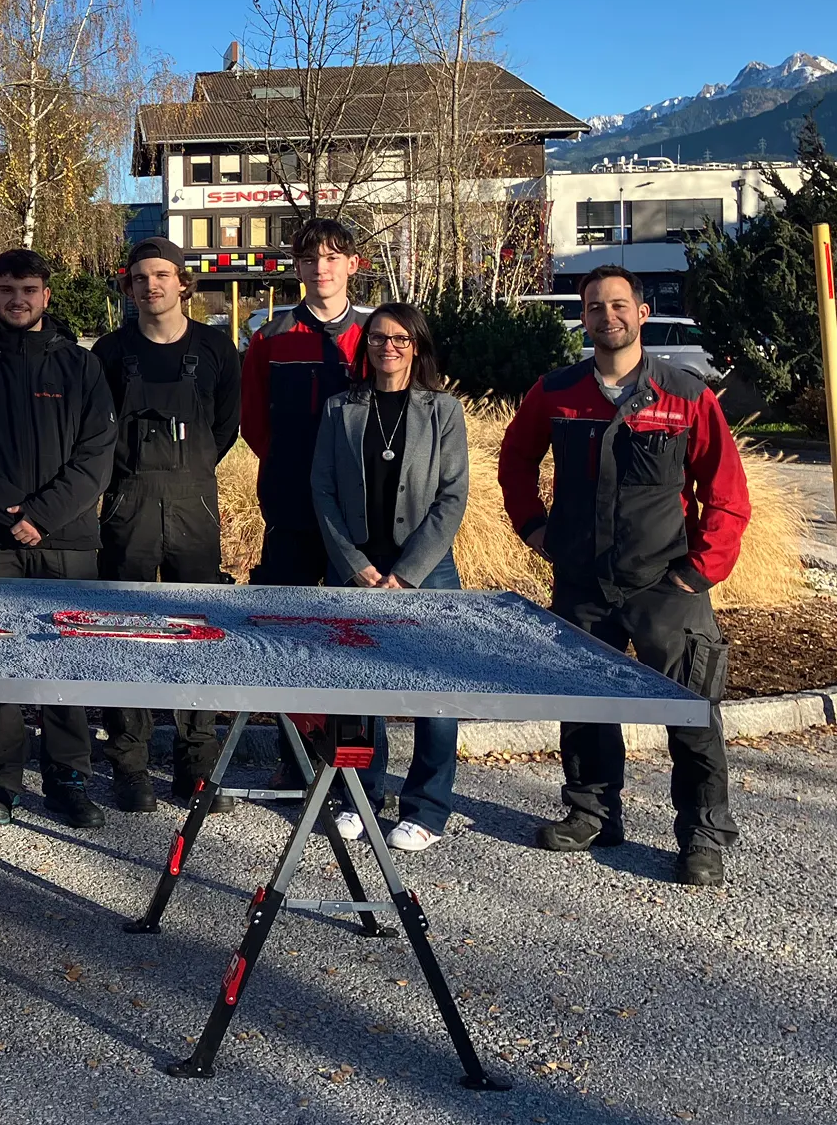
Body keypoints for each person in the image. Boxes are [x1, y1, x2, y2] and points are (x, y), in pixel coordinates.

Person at [500, 265, 749, 888]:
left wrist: (700, 571)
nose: (606, 316)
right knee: (585, 706)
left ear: (640, 313)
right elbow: (515, 460)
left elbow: (725, 491)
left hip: (668, 586)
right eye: (593, 307)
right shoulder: (556, 392)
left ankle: (702, 835)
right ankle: (591, 812)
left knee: (692, 713)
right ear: (582, 318)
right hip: (583, 583)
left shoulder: (685, 394)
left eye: (618, 305)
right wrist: (535, 529)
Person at [0, 248, 116, 829]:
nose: (18, 299)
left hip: (67, 540)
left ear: (46, 295)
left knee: (66, 661)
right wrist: (10, 512)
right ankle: (0, 781)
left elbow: (97, 458)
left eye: (29, 289)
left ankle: (68, 778)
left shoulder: (82, 368)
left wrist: (41, 515)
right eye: (7, 289)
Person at [310, 301, 468, 852]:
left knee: (434, 693)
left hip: (425, 572)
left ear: (417, 345)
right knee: (357, 691)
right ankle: (359, 795)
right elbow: (322, 491)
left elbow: (453, 497)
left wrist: (406, 573)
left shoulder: (443, 410)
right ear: (365, 344)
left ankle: (426, 807)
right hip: (356, 568)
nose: (388, 346)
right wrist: (355, 565)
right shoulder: (340, 408)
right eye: (378, 337)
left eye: (401, 338)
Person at [93, 237, 242, 813]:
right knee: (125, 632)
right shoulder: (109, 352)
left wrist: (190, 472)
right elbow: (96, 432)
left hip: (193, 502)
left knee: (196, 629)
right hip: (128, 500)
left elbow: (225, 426)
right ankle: (129, 762)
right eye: (140, 277)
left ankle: (196, 762)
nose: (151, 285)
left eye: (162, 274)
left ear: (183, 282)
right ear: (128, 287)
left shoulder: (214, 349)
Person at [242, 218, 370, 586]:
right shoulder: (270, 339)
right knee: (284, 616)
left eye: (332, 257)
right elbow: (252, 422)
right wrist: (290, 461)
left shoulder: (375, 339)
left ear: (353, 264)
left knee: (354, 623)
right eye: (310, 259)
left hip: (356, 504)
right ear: (297, 268)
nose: (321, 268)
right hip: (290, 498)